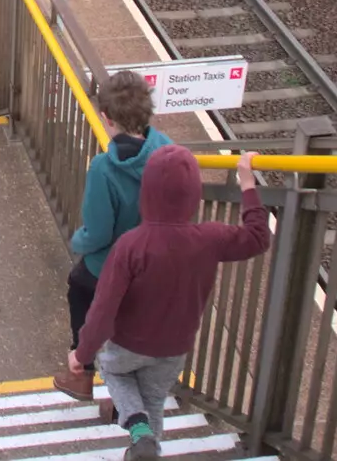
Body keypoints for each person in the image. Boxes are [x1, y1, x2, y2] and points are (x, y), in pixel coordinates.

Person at [68, 148, 271, 461]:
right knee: (153, 400)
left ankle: (139, 431)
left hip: (128, 344)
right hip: (174, 348)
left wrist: (82, 353)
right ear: (193, 194)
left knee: (113, 371)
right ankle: (147, 445)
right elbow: (258, 238)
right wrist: (247, 183)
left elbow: (103, 310)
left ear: (147, 192)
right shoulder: (210, 237)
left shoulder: (131, 245)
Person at [53, 72, 172, 402]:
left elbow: (98, 233)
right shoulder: (168, 151)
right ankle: (130, 401)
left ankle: (82, 372)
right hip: (157, 263)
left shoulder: (105, 168)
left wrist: (78, 241)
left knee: (79, 287)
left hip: (115, 265)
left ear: (106, 119)